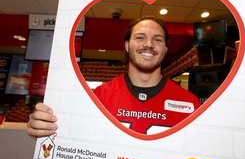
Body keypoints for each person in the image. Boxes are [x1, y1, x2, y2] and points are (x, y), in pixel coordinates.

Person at [27, 15, 200, 138]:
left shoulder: (190, 104)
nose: (149, 45)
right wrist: (44, 129)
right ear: (127, 46)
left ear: (165, 49)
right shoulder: (98, 97)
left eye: (158, 40)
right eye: (140, 37)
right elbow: (74, 138)